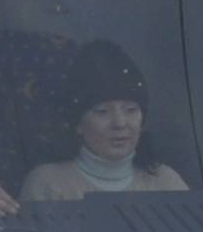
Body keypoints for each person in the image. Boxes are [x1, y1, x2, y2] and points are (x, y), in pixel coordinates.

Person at [22, 43, 190, 201]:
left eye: (130, 110)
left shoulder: (166, 182)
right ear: (78, 124)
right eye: (102, 112)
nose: (120, 123)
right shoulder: (46, 184)